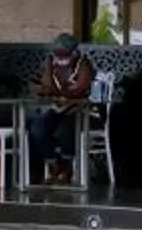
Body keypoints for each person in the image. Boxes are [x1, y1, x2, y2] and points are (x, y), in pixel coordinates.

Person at [28, 32, 94, 185]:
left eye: (64, 54)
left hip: (78, 110)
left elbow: (80, 88)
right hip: (55, 108)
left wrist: (60, 93)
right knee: (38, 128)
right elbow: (46, 85)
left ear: (73, 52)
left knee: (65, 129)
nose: (60, 57)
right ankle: (54, 164)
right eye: (57, 54)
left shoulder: (83, 64)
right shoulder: (50, 62)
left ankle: (66, 166)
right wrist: (49, 89)